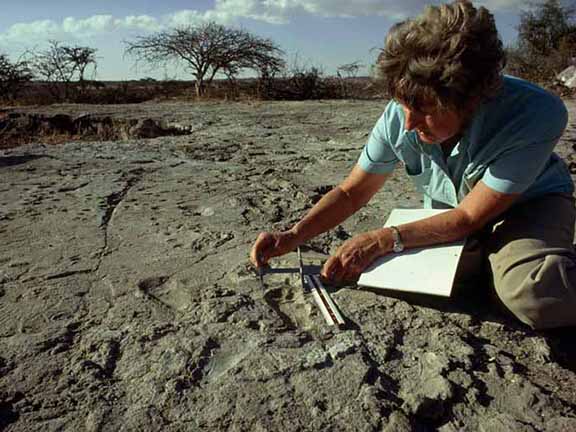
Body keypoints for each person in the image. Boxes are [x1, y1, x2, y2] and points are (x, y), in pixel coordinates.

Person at [250, 0, 576, 330]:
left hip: (528, 205)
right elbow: (352, 192)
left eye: (425, 110)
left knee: (534, 294)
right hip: (455, 215)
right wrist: (293, 235)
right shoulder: (403, 111)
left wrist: (381, 238)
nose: (408, 123)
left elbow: (468, 216)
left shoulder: (536, 112)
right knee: (411, 278)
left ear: (471, 99)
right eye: (403, 105)